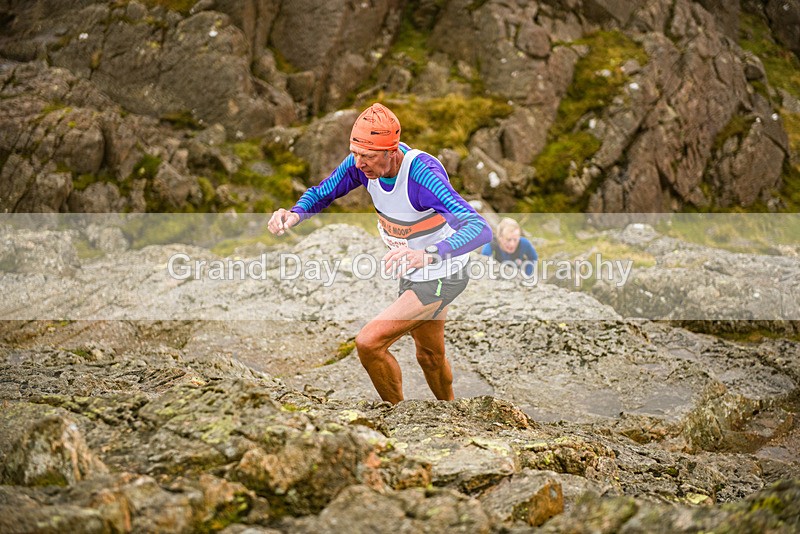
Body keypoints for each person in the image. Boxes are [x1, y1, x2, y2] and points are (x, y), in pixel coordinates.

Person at [268, 103, 492, 404]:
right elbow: (323, 192)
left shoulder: (422, 175)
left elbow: (479, 228)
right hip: (412, 270)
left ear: (391, 150)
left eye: (368, 157)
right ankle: (452, 412)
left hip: (442, 273)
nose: (359, 164)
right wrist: (294, 214)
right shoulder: (361, 164)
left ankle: (398, 417)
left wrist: (430, 254)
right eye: (355, 153)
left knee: (369, 342)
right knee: (429, 356)